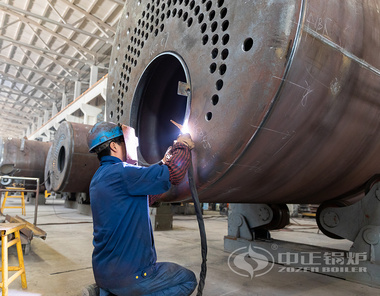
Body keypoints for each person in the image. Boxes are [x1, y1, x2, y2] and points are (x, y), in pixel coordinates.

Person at [86, 121, 197, 296]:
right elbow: (175, 173)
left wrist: (164, 161)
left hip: (103, 273)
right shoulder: (123, 172)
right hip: (131, 275)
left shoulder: (98, 178)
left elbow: (139, 199)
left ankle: (105, 291)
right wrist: (182, 146)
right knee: (187, 279)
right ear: (114, 146)